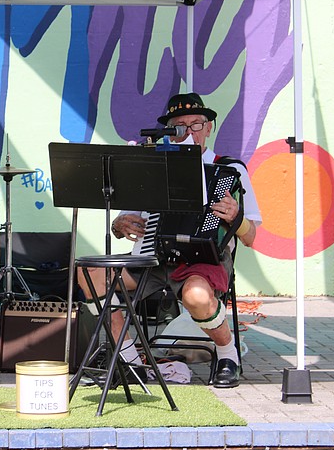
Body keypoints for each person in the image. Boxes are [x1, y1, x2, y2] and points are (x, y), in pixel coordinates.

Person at [77, 92, 262, 388]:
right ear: (170, 131)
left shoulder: (231, 170)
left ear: (209, 128)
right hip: (151, 259)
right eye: (180, 126)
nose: (189, 132)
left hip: (202, 261)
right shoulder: (151, 165)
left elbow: (251, 237)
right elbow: (124, 222)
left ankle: (228, 355)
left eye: (196, 125)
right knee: (91, 274)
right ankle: (130, 363)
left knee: (197, 297)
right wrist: (119, 224)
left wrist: (235, 217)